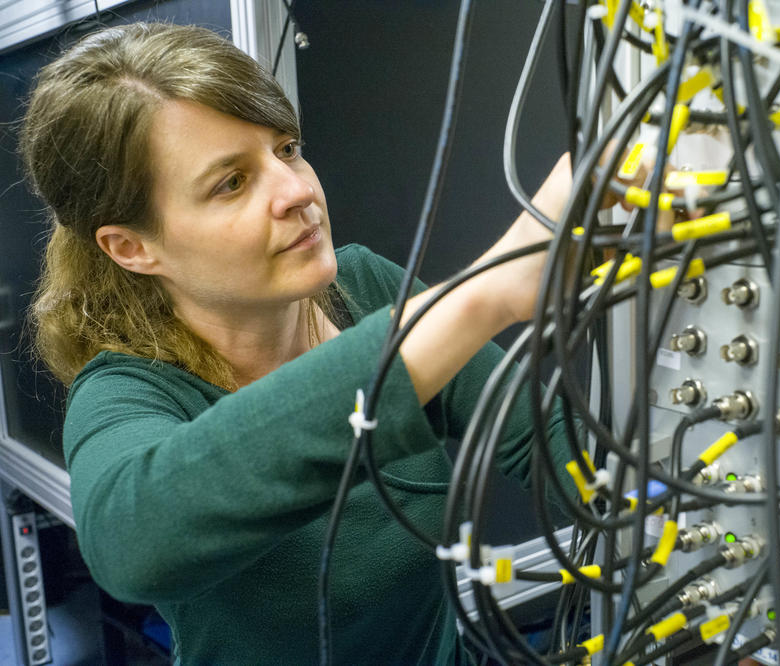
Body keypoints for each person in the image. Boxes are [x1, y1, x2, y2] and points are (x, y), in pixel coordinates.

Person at [20, 21, 580, 664]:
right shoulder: (127, 391)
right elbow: (131, 543)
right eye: (231, 182)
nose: (297, 193)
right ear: (133, 247)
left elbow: (553, 439)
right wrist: (485, 293)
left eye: (286, 150)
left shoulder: (366, 288)